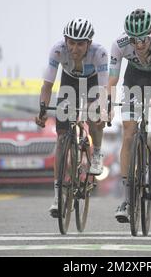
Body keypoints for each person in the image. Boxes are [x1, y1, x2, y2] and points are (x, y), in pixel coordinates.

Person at [107, 8, 151, 222]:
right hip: (134, 78)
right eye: (134, 39)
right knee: (128, 134)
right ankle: (127, 199)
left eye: (143, 39)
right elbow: (111, 82)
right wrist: (106, 106)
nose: (138, 44)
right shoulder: (119, 45)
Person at [35, 18, 108, 218]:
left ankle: (97, 153)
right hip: (69, 82)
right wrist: (42, 110)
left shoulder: (99, 54)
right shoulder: (58, 50)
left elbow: (104, 90)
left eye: (80, 44)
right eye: (71, 43)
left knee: (94, 116)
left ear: (89, 44)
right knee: (61, 138)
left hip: (93, 82)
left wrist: (102, 111)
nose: (75, 48)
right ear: (65, 41)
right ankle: (58, 195)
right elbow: (47, 86)